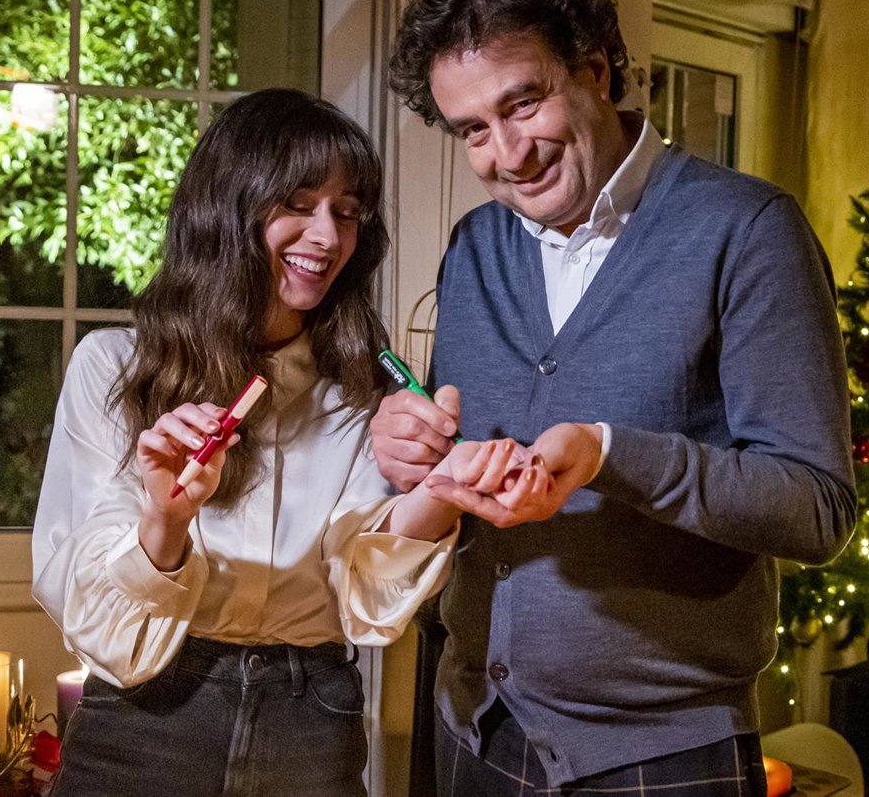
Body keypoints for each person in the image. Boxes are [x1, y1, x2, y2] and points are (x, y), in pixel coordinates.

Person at [373, 0, 858, 796]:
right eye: (472, 130)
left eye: (523, 103)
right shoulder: (475, 249)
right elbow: (465, 470)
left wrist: (608, 454)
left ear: (595, 69)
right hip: (472, 730)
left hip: (659, 756)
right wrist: (413, 453)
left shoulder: (746, 231)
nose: (507, 154)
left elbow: (816, 507)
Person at [31, 88, 550, 797]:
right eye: (298, 205)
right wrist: (165, 524)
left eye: (347, 212)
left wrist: (441, 491)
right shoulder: (114, 368)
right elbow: (96, 622)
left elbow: (367, 601)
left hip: (311, 717)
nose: (328, 237)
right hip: (147, 716)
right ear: (228, 207)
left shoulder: (367, 388)